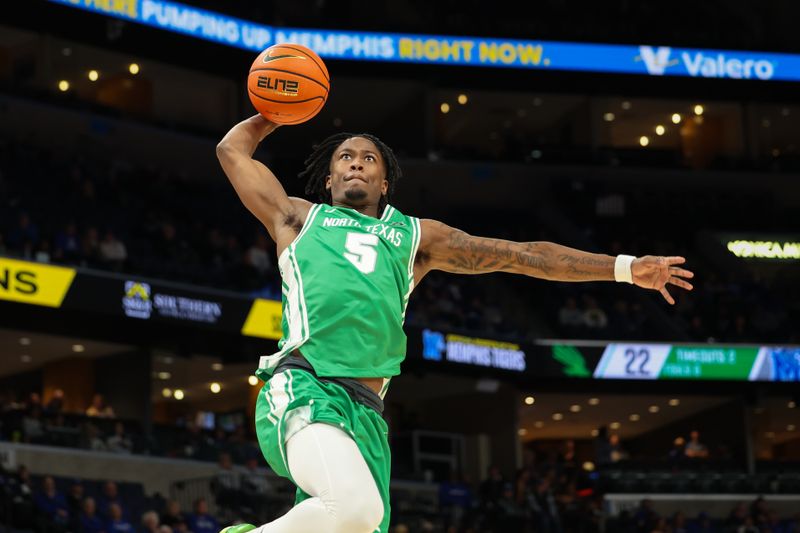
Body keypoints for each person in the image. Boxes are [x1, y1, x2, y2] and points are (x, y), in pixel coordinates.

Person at [215, 114, 694, 533]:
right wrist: (274, 115)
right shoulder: (297, 218)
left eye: (368, 158)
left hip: (367, 413)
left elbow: (524, 257)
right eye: (344, 156)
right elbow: (231, 150)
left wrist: (624, 267)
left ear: (385, 184)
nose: (355, 162)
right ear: (329, 179)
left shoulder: (415, 236)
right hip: (305, 385)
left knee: (351, 520)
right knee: (355, 509)